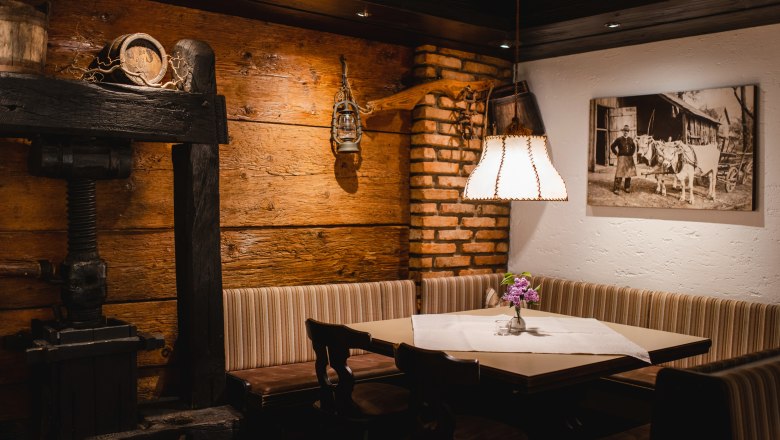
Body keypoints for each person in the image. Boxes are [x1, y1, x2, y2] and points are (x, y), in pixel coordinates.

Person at [610, 125, 637, 194]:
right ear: (623, 131)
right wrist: (616, 153)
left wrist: (631, 153)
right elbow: (612, 146)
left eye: (627, 131)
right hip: (621, 158)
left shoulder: (631, 139)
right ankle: (616, 189)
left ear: (628, 132)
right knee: (619, 173)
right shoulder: (619, 139)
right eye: (625, 131)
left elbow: (634, 147)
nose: (626, 132)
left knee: (628, 173)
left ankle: (627, 187)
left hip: (629, 158)